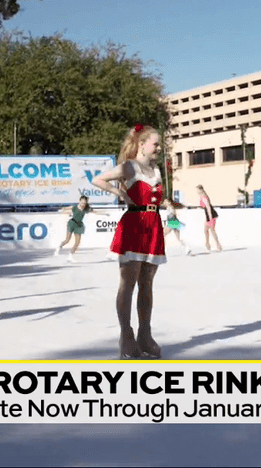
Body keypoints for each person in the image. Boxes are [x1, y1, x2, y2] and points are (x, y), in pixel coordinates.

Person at [92, 124, 171, 359]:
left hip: (153, 226)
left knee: (147, 283)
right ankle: (126, 336)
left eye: (159, 144)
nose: (159, 148)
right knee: (129, 284)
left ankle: (144, 335)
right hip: (134, 225)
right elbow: (99, 180)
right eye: (155, 144)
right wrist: (120, 193)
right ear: (142, 144)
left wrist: (165, 205)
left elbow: (156, 197)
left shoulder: (155, 169)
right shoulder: (129, 166)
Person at [55, 195, 103, 262]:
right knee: (67, 240)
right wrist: (61, 209)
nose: (83, 204)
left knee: (77, 242)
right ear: (79, 201)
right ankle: (58, 248)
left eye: (85, 203)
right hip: (71, 223)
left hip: (79, 225)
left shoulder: (86, 208)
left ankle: (70, 256)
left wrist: (104, 213)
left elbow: (95, 211)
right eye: (82, 202)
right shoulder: (74, 207)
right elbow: (66, 208)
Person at [197, 184, 222, 252]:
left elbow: (208, 208)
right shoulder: (202, 196)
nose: (197, 191)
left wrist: (210, 218)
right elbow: (205, 206)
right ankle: (207, 244)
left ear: (200, 190)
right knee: (206, 230)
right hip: (208, 215)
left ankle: (218, 245)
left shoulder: (204, 197)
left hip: (210, 215)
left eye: (197, 190)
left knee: (212, 231)